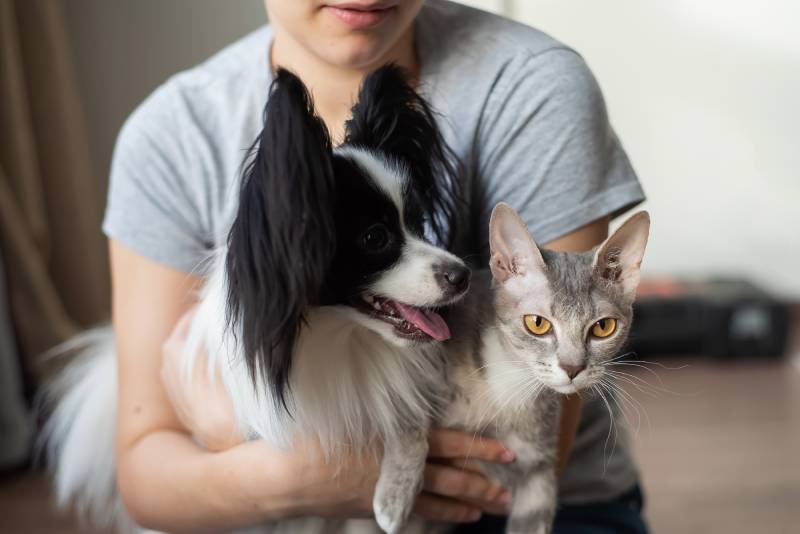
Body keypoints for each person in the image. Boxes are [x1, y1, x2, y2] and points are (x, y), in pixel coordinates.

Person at [105, 1, 647, 532]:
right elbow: (148, 478)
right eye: (375, 239)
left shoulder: (532, 82)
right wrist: (284, 472)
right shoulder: (170, 134)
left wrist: (233, 430)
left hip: (514, 501)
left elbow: (525, 450)